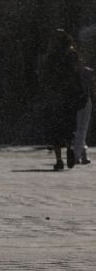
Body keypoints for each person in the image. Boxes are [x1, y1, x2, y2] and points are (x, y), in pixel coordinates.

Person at [37, 29, 86, 170]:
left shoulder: (51, 56)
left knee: (55, 129)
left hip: (55, 96)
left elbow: (45, 77)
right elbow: (79, 71)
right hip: (69, 96)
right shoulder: (72, 54)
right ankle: (70, 147)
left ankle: (59, 160)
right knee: (69, 125)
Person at [74, 48, 94, 166]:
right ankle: (78, 155)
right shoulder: (87, 72)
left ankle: (82, 154)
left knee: (80, 128)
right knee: (81, 128)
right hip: (84, 101)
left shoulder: (72, 73)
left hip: (78, 101)